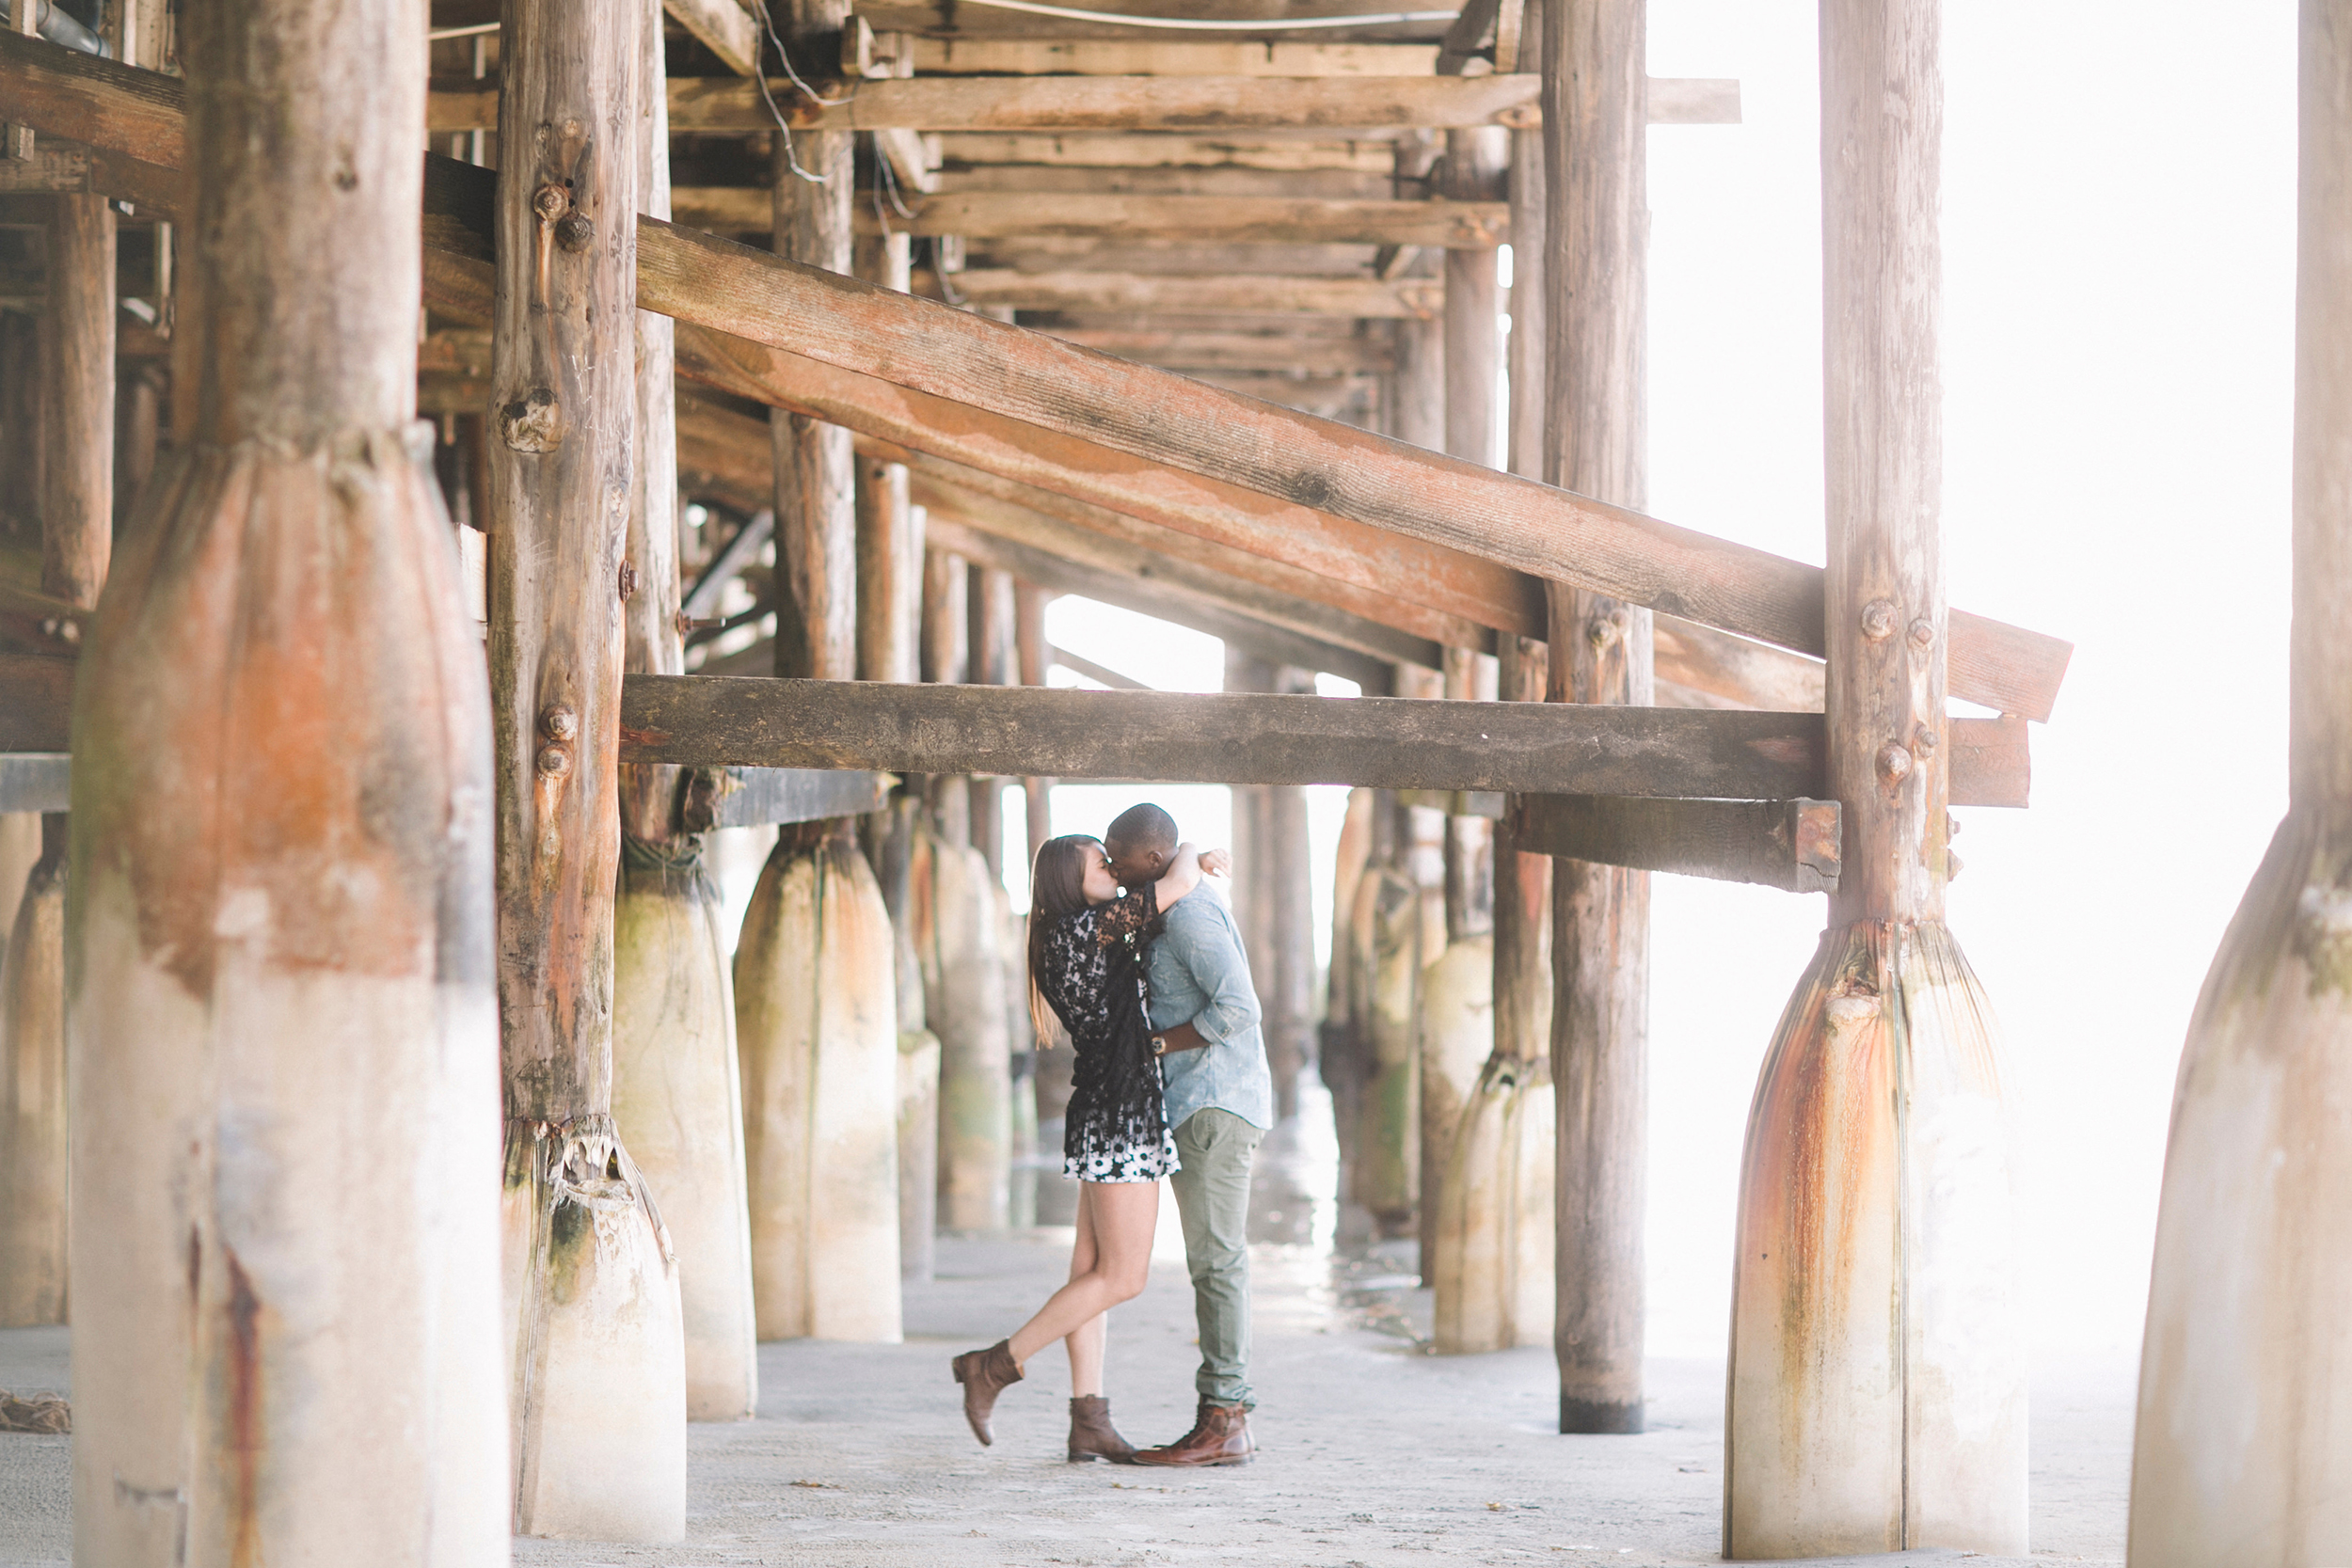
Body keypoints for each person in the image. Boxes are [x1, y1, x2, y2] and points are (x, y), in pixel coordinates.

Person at [950, 832, 1229, 1462]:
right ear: (1069, 882)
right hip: (1122, 1111)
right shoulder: (1082, 931)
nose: (1112, 865)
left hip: (1105, 1103)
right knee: (1123, 1276)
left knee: (1090, 1271)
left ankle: (1089, 1417)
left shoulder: (1064, 934)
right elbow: (1176, 885)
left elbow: (1157, 896)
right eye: (1099, 863)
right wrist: (1192, 846)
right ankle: (994, 1365)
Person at [1105, 801, 1270, 1468]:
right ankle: (1222, 1416)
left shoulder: (1191, 915)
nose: (1113, 869)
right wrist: (1190, 857)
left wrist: (1154, 1043)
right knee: (1214, 1258)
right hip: (1206, 1102)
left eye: (1117, 856)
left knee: (1216, 1260)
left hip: (1214, 1104)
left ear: (1149, 859)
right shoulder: (1170, 900)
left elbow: (1241, 1006)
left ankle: (1225, 1418)